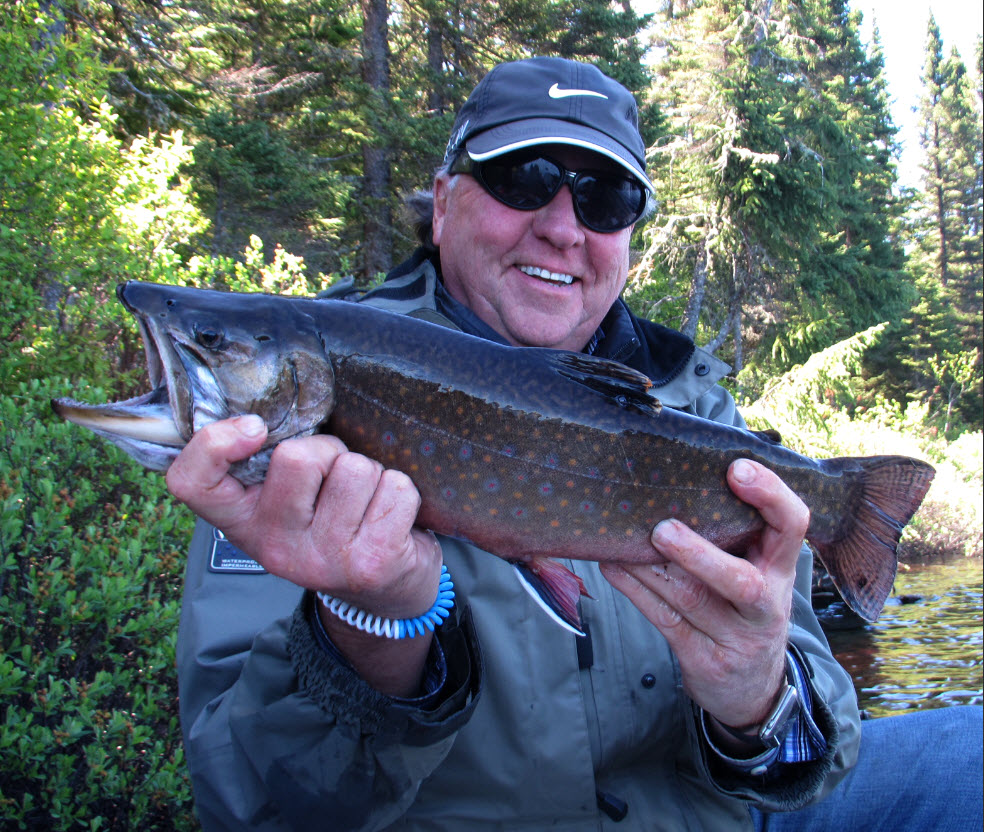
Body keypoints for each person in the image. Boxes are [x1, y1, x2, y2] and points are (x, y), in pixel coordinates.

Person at [168, 57, 982, 831]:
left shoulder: (699, 416)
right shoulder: (312, 413)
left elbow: (811, 759)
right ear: (443, 202)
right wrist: (368, 630)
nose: (562, 225)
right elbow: (250, 806)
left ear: (629, 237)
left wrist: (758, 702)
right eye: (522, 179)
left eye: (605, 197)